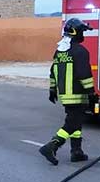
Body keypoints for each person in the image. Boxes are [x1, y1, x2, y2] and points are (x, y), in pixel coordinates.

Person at [39, 18, 95, 165]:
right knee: (71, 124)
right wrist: (91, 92)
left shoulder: (60, 51)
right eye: (82, 31)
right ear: (75, 32)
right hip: (78, 94)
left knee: (76, 121)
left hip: (65, 95)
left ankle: (77, 152)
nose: (83, 34)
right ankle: (52, 146)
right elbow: (84, 74)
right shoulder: (81, 51)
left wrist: (52, 89)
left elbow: (53, 72)